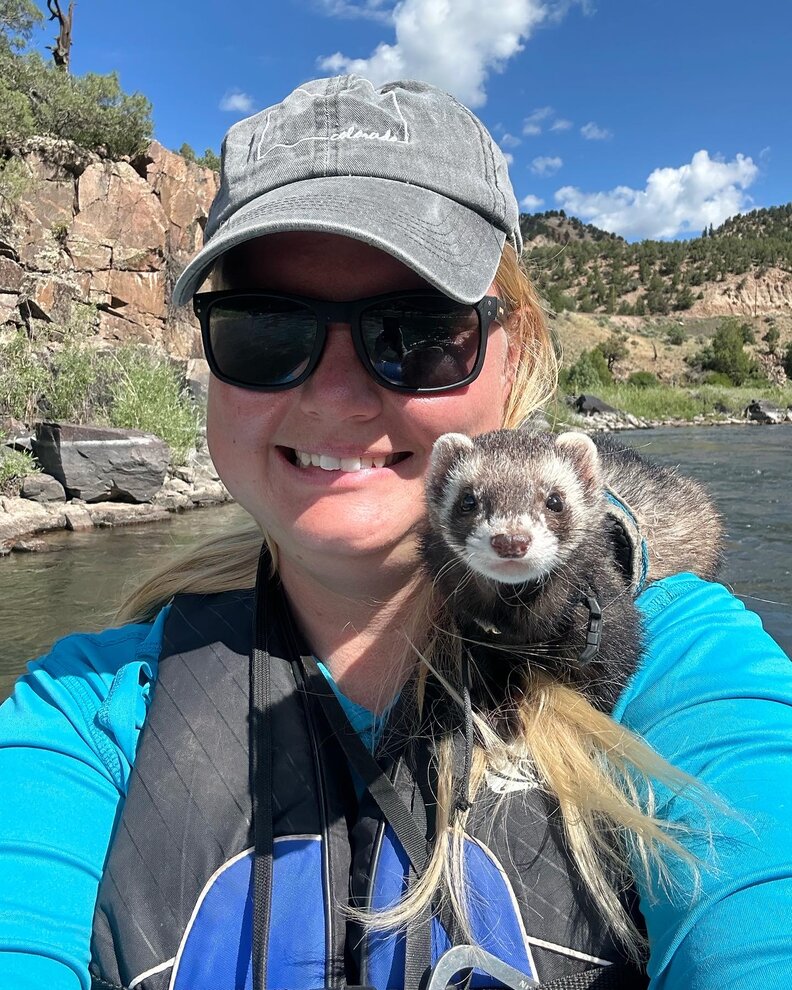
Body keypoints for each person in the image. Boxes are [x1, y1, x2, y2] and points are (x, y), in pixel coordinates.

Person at [1, 74, 791, 990]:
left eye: (419, 333)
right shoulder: (83, 712)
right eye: (265, 328)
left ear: (515, 356)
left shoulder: (681, 661)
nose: (337, 398)